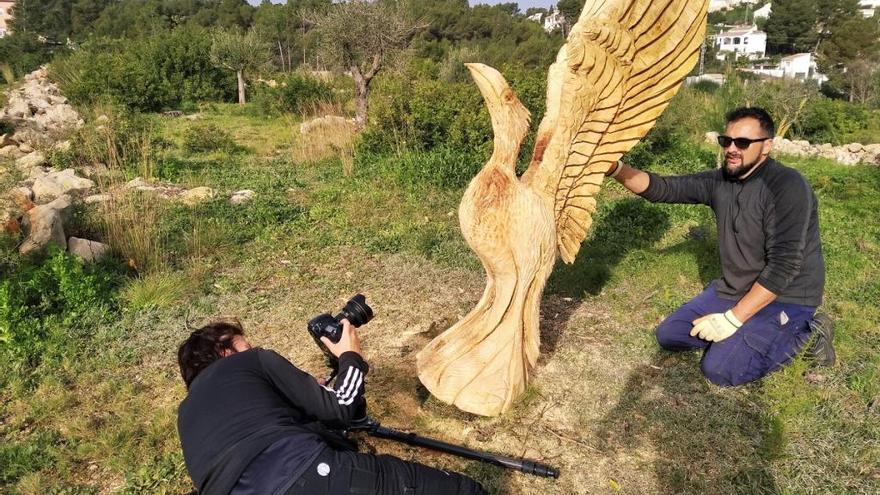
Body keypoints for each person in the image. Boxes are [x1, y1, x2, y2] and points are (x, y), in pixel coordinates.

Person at [604, 107, 835, 386]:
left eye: (743, 143)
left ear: (767, 146)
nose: (732, 149)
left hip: (788, 296)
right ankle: (749, 329)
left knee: (721, 369)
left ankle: (809, 333)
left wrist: (732, 320)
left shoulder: (788, 186)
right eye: (726, 141)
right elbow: (662, 188)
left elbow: (784, 266)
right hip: (736, 288)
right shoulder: (721, 181)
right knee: (670, 335)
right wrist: (614, 168)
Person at [176, 318, 487, 495]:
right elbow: (342, 407)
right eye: (245, 344)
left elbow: (257, 436)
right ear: (225, 349)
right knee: (462, 491)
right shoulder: (253, 360)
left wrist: (309, 394)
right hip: (304, 473)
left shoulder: (186, 413)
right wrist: (350, 356)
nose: (253, 348)